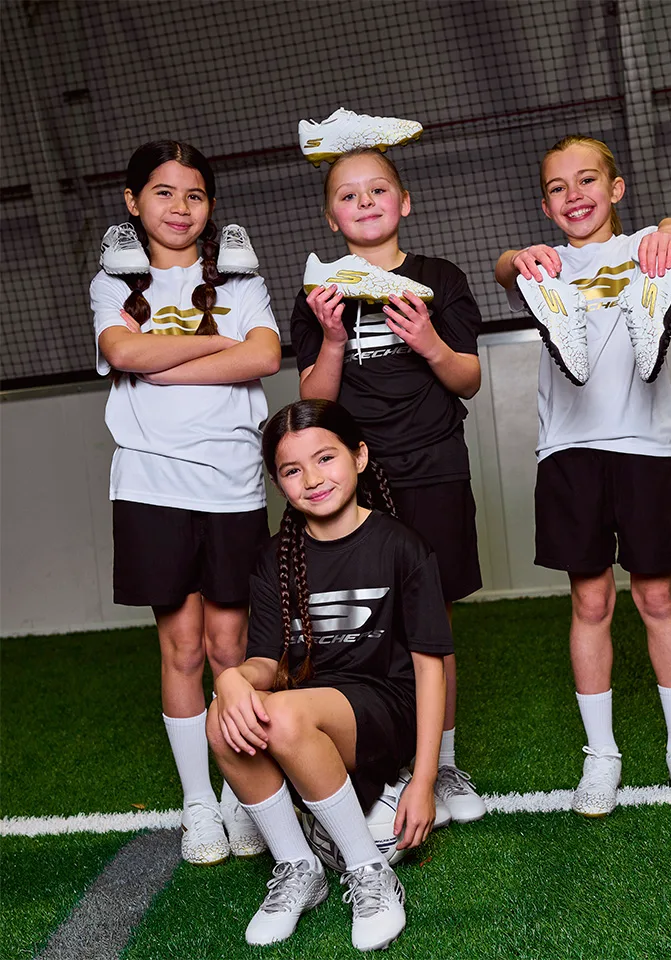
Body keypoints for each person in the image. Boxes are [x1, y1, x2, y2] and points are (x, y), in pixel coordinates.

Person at [494, 134, 671, 817]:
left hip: (646, 445)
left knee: (657, 597)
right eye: (558, 188)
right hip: (568, 447)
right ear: (545, 206)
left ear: (616, 189)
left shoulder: (644, 246)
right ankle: (602, 755)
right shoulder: (545, 261)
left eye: (587, 180)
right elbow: (503, 268)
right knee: (590, 602)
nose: (574, 195)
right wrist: (519, 259)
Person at [89, 140, 282, 865]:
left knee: (232, 648)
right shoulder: (111, 282)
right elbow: (124, 353)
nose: (180, 208)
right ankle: (199, 804)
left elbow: (264, 356)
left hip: (232, 485)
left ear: (211, 206)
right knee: (182, 646)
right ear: (133, 202)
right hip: (151, 486)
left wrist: (162, 360)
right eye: (163, 193)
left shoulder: (242, 282)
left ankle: (241, 796)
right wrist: (214, 346)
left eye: (194, 195)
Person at [207, 399, 451, 951]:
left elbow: (429, 670)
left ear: (359, 457)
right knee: (221, 718)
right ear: (278, 483)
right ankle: (299, 867)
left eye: (325, 458)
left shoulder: (401, 545)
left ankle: (368, 871)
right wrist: (230, 680)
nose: (313, 480)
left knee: (282, 715)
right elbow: (264, 662)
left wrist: (425, 780)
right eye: (293, 470)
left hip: (385, 711)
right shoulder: (274, 558)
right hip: (305, 715)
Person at [290, 146, 486, 825]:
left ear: (404, 202)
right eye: (348, 195)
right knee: (368, 621)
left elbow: (468, 379)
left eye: (378, 190)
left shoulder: (440, 277)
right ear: (331, 217)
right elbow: (314, 401)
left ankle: (443, 764)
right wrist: (332, 338)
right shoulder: (318, 293)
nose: (365, 202)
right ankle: (386, 762)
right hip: (355, 480)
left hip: (434, 467)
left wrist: (428, 340)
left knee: (433, 621)